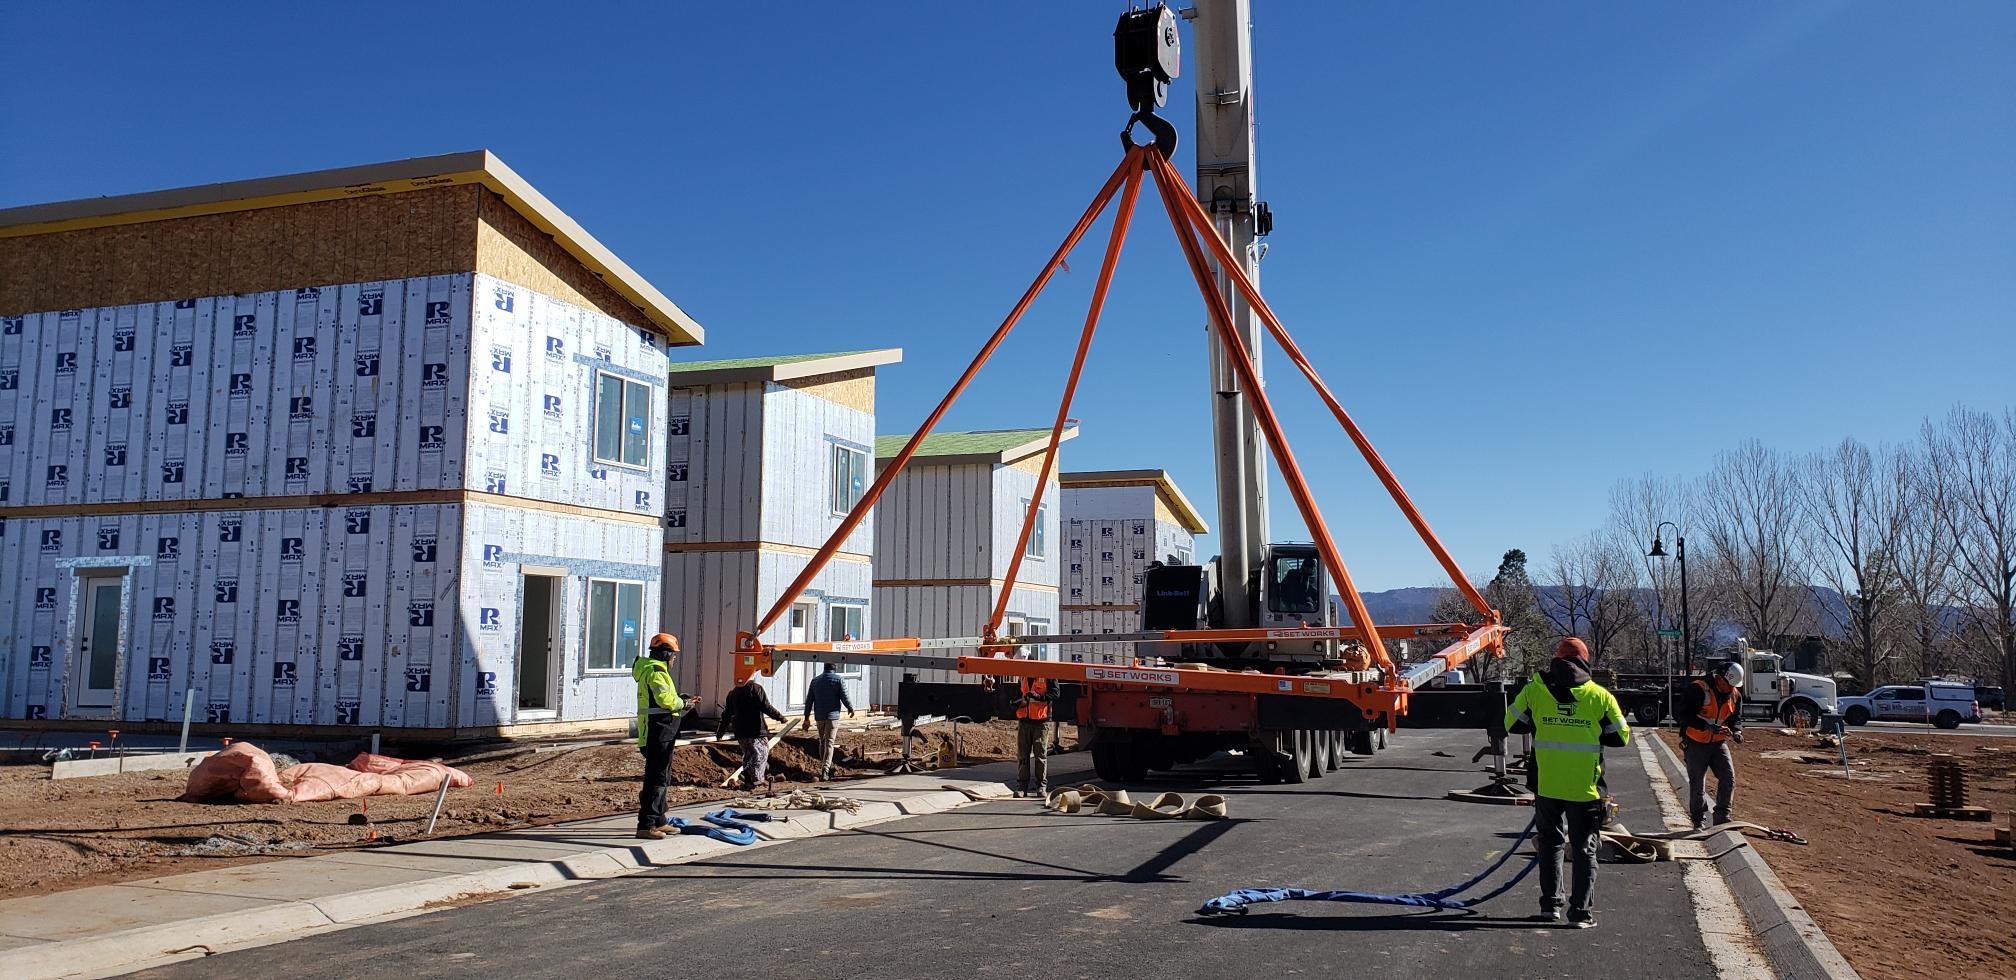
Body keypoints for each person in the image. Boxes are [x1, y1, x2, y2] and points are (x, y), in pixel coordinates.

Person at [1505, 637, 1630, 928]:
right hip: (1585, 790)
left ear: (1556, 660)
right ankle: (1581, 914)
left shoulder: (1534, 691)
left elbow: (1512, 722)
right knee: (1585, 849)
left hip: (1547, 786)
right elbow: (1620, 737)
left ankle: (1550, 907)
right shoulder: (1599, 696)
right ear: (1585, 661)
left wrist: (1541, 720)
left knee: (1550, 845)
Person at [632, 633, 695, 840]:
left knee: (662, 776)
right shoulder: (657, 671)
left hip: (660, 731)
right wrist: (684, 704)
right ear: (665, 654)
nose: (674, 659)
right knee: (656, 778)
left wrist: (681, 698)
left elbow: (664, 698)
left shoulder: (651, 670)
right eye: (673, 655)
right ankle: (646, 824)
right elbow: (665, 700)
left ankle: (659, 820)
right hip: (658, 732)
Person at [1678, 657, 1745, 830]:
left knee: (1728, 777)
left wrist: (1737, 731)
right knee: (1697, 782)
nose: (1729, 689)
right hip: (1695, 742)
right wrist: (1706, 726)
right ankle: (1698, 820)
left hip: (1718, 743)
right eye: (1727, 685)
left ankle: (1722, 817)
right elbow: (1683, 716)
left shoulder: (1734, 694)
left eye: (1732, 686)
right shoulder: (1699, 689)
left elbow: (1735, 718)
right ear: (1719, 678)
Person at [718, 673, 786, 790]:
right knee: (761, 753)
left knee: (748, 754)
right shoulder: (755, 688)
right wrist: (780, 717)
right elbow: (766, 706)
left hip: (740, 732)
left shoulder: (733, 693)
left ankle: (749, 780)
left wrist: (720, 732)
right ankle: (752, 778)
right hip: (755, 730)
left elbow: (726, 715)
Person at [1012, 655, 1057, 799]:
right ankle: (1021, 787)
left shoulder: (1048, 675)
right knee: (1023, 755)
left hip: (1041, 721)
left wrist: (1038, 696)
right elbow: (1017, 693)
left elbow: (1055, 694)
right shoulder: (1023, 676)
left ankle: (1041, 786)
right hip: (1024, 719)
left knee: (1040, 755)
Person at [803, 663, 857, 781]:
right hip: (832, 717)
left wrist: (806, 717)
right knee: (829, 743)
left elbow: (809, 701)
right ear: (834, 669)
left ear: (824, 669)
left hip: (820, 717)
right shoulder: (838, 680)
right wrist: (850, 708)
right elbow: (844, 696)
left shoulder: (815, 681)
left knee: (822, 741)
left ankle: (824, 766)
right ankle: (825, 770)